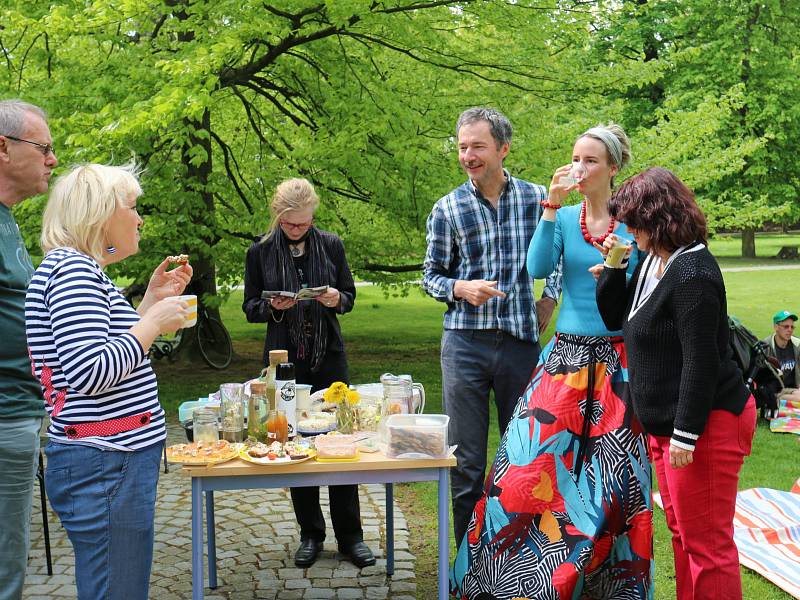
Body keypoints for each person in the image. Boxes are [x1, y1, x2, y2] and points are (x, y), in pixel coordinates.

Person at [451, 123, 653, 599]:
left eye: (590, 161)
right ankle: (509, 582)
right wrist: (550, 206)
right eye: (575, 159)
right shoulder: (564, 218)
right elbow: (537, 269)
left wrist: (622, 266)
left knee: (614, 491)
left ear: (614, 169)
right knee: (521, 471)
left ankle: (603, 587)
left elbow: (643, 293)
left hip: (617, 367)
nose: (579, 169)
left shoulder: (635, 222)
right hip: (564, 361)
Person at [25, 163, 192, 600]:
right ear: (100, 213)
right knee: (118, 591)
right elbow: (91, 373)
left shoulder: (78, 272)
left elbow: (106, 360)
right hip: (105, 462)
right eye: (132, 207)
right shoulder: (73, 273)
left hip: (107, 460)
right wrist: (152, 323)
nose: (139, 218)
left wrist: (150, 303)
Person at [596, 166, 756, 600]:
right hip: (667, 425)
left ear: (657, 217)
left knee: (708, 545)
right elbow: (616, 319)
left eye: (633, 220)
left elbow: (700, 359)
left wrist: (686, 434)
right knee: (683, 535)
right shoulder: (653, 261)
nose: (629, 229)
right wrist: (614, 264)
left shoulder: (693, 272)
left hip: (705, 422)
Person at [422, 106, 562, 546]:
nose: (468, 155)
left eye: (477, 146)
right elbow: (430, 277)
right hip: (464, 345)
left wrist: (549, 298)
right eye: (463, 147)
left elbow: (561, 256)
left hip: (521, 345)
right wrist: (461, 287)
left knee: (523, 456)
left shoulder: (538, 199)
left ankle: (517, 559)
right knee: (466, 462)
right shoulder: (447, 209)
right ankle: (467, 564)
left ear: (503, 148)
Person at [242, 177, 375, 569]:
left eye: (302, 224)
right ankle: (310, 534)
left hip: (329, 355)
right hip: (284, 360)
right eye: (289, 225)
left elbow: (348, 296)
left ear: (313, 214)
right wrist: (275, 307)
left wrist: (336, 297)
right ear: (277, 217)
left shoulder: (331, 244)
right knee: (295, 445)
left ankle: (351, 536)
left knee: (340, 444)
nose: (296, 230)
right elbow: (251, 307)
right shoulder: (261, 251)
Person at [0, 99, 57, 600]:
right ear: (2, 147)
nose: (52, 160)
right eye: (43, 148)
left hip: (18, 412)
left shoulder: (8, 220)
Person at [762, 310, 799, 390]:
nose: (790, 330)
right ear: (776, 327)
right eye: (786, 326)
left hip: (795, 390)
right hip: (775, 392)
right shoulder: (766, 347)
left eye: (792, 327)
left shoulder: (797, 344)